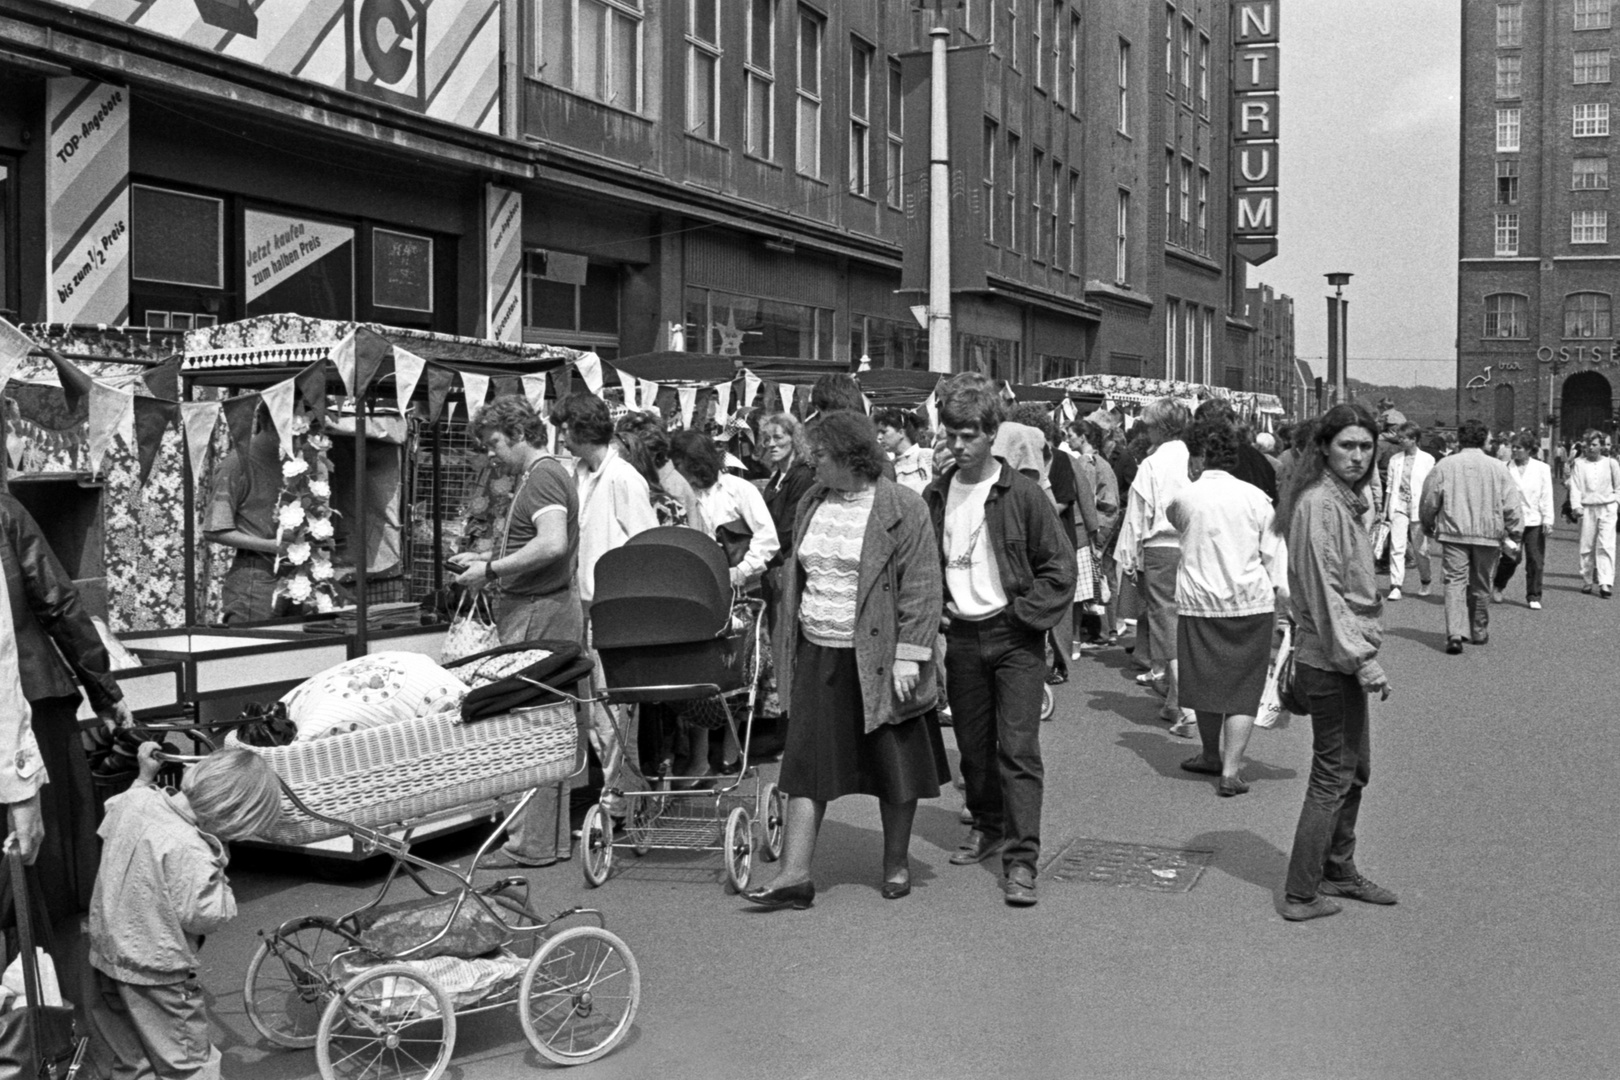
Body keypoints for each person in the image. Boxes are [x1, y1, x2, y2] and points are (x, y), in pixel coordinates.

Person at [742, 412, 946, 908]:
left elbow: (922, 588)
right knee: (805, 765)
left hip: (881, 657)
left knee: (891, 765)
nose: (811, 466)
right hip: (819, 651)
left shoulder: (903, 506)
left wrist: (909, 657)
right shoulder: (814, 499)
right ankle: (794, 875)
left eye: (820, 457)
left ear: (852, 458)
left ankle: (895, 862)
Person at [924, 373, 1075, 907]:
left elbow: (1060, 569)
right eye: (951, 434)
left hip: (1013, 638)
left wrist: (1024, 619)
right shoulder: (937, 494)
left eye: (969, 435)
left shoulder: (1023, 494)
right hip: (961, 635)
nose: (958, 445)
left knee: (1018, 750)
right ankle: (987, 826)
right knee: (972, 748)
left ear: (991, 434)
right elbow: (923, 566)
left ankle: (1022, 860)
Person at [0, 491, 132, 992]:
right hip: (36, 703)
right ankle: (64, 1014)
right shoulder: (5, 511)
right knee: (53, 874)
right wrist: (104, 689)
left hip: (33, 701)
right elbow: (58, 601)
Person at [86, 744, 281, 1080]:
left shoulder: (137, 801)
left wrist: (144, 777)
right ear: (229, 815)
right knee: (188, 1064)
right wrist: (220, 861)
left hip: (106, 957)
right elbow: (205, 915)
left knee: (131, 1061)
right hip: (158, 973)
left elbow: (111, 818)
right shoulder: (194, 850)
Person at [1275, 403, 1398, 922]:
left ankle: (1338, 869)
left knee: (1355, 770)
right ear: (1324, 446)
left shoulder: (1343, 500)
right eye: (1347, 445)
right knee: (1333, 776)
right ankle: (1303, 892)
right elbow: (1326, 596)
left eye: (1366, 446)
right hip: (1331, 660)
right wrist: (1362, 661)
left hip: (1337, 655)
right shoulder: (1320, 504)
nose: (1358, 455)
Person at [450, 396, 581, 869]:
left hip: (537, 612)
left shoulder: (543, 475)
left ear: (519, 433)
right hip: (541, 608)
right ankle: (545, 841)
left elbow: (552, 543)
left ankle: (531, 843)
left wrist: (491, 569)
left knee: (528, 728)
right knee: (549, 726)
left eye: (495, 443)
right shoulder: (538, 475)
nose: (490, 454)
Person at [1168, 415, 1287, 797]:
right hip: (1250, 603)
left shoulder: (1186, 498)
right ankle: (1231, 770)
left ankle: (1208, 753)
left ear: (1200, 457)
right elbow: (1274, 554)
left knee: (1204, 683)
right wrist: (1285, 600)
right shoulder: (1256, 498)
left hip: (1199, 603)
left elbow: (1176, 522)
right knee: (1243, 687)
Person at [559, 392, 659, 805]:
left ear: (582, 429)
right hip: (581, 606)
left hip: (615, 610)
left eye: (564, 427)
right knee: (596, 711)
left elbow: (645, 546)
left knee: (614, 711)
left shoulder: (623, 478)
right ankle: (627, 795)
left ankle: (620, 800)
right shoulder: (579, 474)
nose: (560, 435)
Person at [668, 430, 781, 776]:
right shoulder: (681, 493)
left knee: (740, 673)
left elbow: (768, 538)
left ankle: (733, 751)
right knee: (703, 675)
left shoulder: (739, 489)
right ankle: (701, 757)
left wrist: (741, 570)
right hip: (700, 596)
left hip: (741, 593)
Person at [1115, 398, 1194, 732]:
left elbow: (1138, 512)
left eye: (1147, 425)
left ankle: (1184, 705)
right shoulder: (1193, 457)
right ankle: (1176, 698)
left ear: (1161, 427)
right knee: (1187, 621)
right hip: (1193, 544)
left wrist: (1128, 555)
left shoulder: (1153, 463)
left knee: (1166, 625)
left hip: (1160, 546)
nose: (1145, 431)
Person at [1419, 418, 1523, 653]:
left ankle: (1455, 633)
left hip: (1454, 532)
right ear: (1484, 439)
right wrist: (1515, 533)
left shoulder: (1445, 465)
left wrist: (1428, 523)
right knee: (1481, 583)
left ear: (1460, 439)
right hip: (1488, 534)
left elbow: (1429, 498)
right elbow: (1511, 504)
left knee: (1454, 582)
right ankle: (1478, 630)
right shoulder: (1498, 467)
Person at [203, 405, 286, 623]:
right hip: (255, 576)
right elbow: (215, 529)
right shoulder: (237, 462)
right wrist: (272, 545)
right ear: (267, 422)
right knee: (255, 650)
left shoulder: (293, 459)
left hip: (293, 574)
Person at [1493, 434, 1554, 609]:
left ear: (1528, 450)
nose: (1514, 450)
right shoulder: (1504, 468)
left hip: (1534, 520)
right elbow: (1499, 495)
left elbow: (1546, 494)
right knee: (1512, 558)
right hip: (1513, 521)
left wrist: (1548, 519)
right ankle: (1499, 584)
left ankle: (1533, 595)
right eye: (1513, 447)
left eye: (1518, 447)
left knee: (1535, 559)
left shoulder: (1541, 468)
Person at [617, 412, 704, 530]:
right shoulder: (620, 476)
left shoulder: (674, 487)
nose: (638, 459)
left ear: (656, 453)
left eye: (645, 454)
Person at [1382, 421, 1435, 601]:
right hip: (1398, 506)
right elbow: (1390, 486)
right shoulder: (1395, 460)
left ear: (1414, 439)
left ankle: (1425, 579)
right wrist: (1384, 510)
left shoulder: (1427, 460)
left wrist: (1432, 511)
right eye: (1400, 437)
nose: (1400, 441)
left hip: (1419, 508)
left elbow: (1431, 486)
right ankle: (1396, 585)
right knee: (1397, 547)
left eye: (1404, 438)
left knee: (1421, 550)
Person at [1566, 429, 1620, 598]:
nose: (1591, 448)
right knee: (1587, 545)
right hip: (1587, 508)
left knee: (1606, 544)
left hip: (1607, 507)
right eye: (1588, 444)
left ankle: (1605, 582)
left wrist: (1616, 502)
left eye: (1594, 444)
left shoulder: (1611, 463)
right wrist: (1576, 506)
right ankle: (1587, 579)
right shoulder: (1579, 464)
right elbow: (1575, 487)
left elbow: (1619, 486)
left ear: (1601, 446)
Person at [874, 407, 933, 493]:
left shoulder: (926, 455)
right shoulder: (889, 466)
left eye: (883, 432)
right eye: (878, 433)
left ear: (901, 432)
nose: (879, 437)